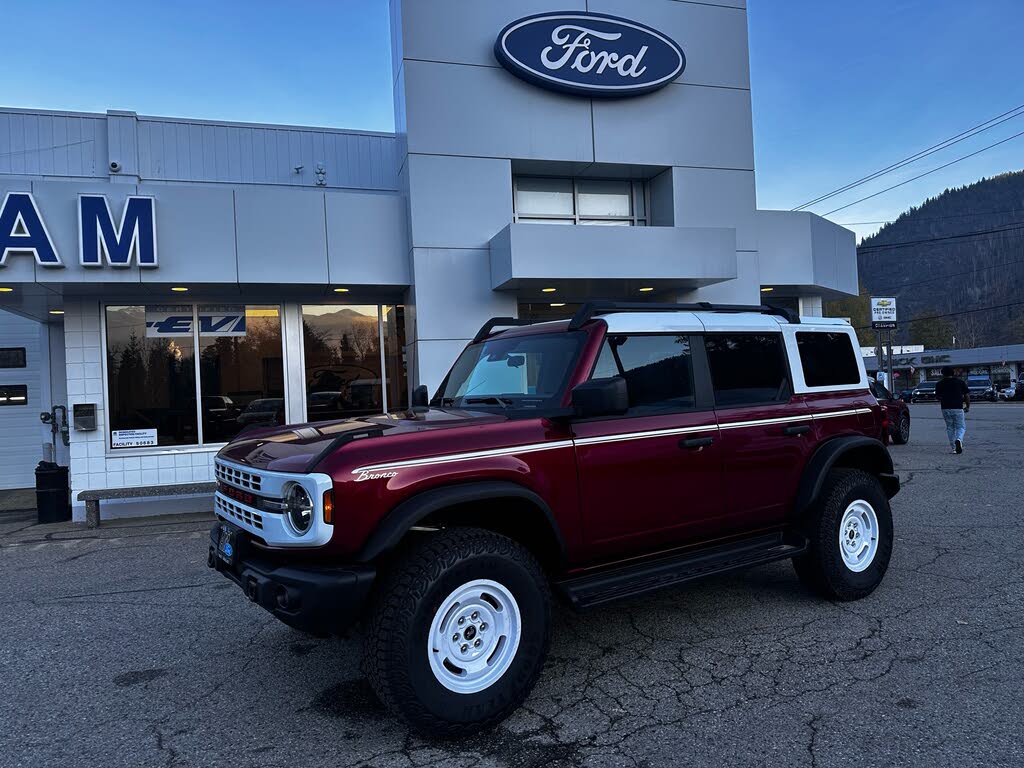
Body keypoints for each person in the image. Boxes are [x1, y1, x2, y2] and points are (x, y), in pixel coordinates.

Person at [934, 366, 970, 454]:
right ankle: (959, 439)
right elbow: (967, 395)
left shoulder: (939, 384)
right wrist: (967, 406)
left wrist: (944, 398)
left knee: (950, 427)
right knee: (961, 427)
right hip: (958, 407)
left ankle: (954, 448)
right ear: (953, 373)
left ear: (943, 374)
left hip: (945, 408)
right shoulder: (960, 382)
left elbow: (937, 396)